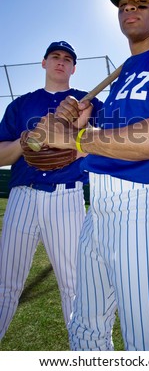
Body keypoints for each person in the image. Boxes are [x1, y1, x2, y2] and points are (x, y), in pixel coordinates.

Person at [27, 0, 149, 351]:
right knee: (86, 330)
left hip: (142, 206)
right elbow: (102, 140)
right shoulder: (123, 75)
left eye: (141, 2)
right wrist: (80, 121)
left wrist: (76, 139)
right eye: (124, 4)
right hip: (98, 208)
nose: (130, 8)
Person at [0, 40, 102, 340]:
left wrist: (76, 137)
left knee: (74, 285)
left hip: (67, 196)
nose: (61, 61)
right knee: (6, 283)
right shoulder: (21, 104)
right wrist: (24, 141)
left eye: (68, 58)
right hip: (23, 195)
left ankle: (85, 356)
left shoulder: (86, 101)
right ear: (44, 63)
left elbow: (111, 144)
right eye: (55, 56)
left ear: (73, 68)